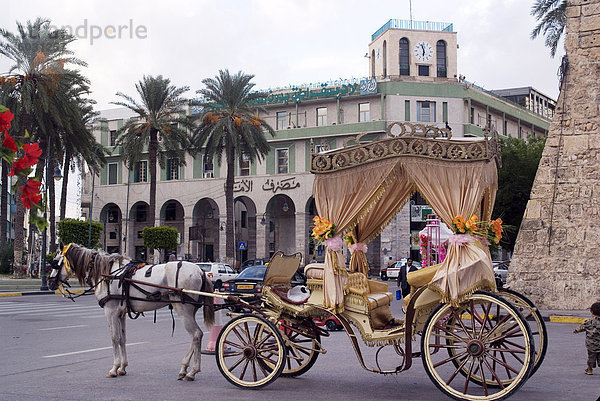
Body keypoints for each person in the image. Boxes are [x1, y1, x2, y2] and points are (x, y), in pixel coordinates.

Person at [574, 301, 600, 375]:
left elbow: (582, 327)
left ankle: (589, 370)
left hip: (591, 345)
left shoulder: (589, 321)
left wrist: (576, 330)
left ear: (591, 312)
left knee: (591, 358)